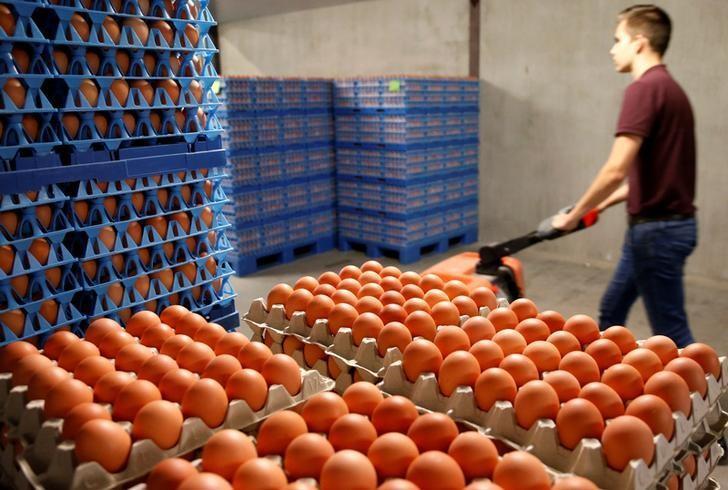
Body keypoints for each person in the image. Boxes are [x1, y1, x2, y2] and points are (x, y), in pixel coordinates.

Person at [551, 5, 697, 347]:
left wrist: (572, 217)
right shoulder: (671, 89)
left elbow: (616, 170)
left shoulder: (643, 90)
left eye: (618, 40)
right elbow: (647, 179)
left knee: (671, 335)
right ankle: (611, 386)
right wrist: (597, 207)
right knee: (611, 310)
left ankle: (706, 396)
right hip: (655, 228)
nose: (612, 48)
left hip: (657, 233)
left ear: (640, 42)